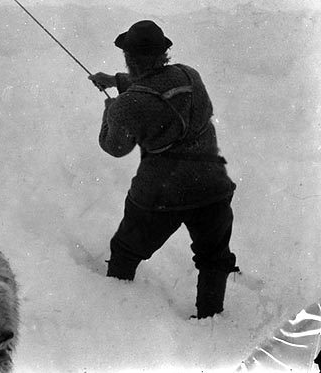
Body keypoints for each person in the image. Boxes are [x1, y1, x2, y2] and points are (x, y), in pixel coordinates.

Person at [88, 20, 238, 319]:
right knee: (213, 258)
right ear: (164, 53)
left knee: (126, 252)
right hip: (212, 187)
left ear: (129, 59)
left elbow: (115, 147)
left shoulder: (126, 106)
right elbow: (162, 88)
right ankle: (210, 322)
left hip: (160, 195)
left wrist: (110, 112)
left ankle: (115, 316)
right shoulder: (189, 76)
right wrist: (118, 81)